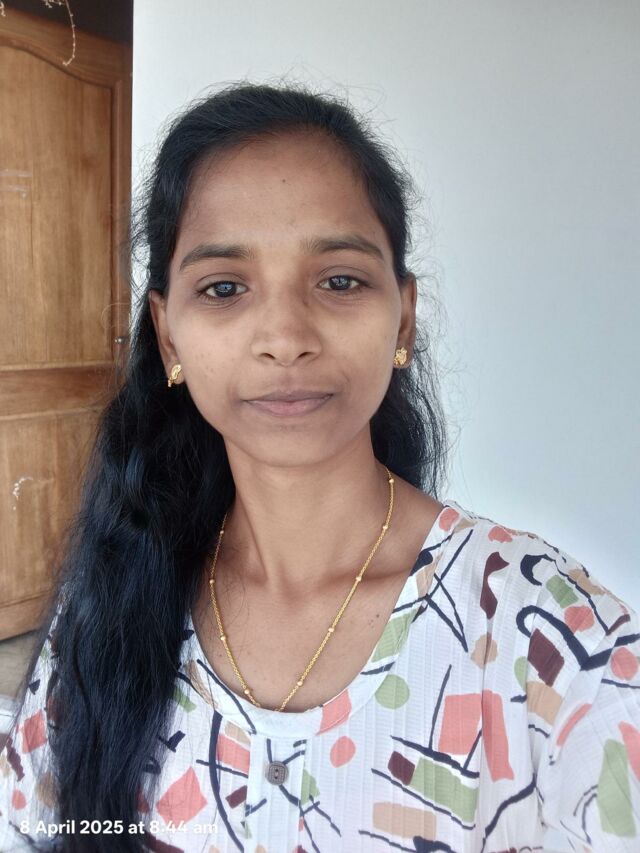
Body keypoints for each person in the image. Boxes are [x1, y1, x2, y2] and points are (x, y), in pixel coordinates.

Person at [1, 81, 638, 853]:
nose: (285, 337)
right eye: (224, 287)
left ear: (403, 318)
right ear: (169, 338)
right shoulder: (107, 609)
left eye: (339, 280)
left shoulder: (551, 642)